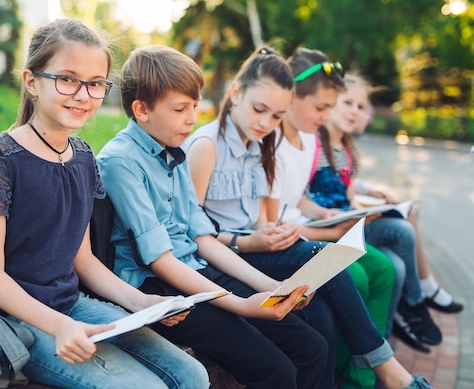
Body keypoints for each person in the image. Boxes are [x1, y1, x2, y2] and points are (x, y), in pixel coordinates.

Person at [0, 18, 210, 389]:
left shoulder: (82, 158)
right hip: (12, 315)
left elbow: (83, 259)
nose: (82, 94)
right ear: (31, 82)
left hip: (70, 302)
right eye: (67, 79)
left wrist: (140, 303)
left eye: (95, 84)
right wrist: (60, 326)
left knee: (192, 375)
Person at [184, 47, 434, 389]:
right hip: (226, 256)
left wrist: (270, 232)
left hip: (254, 247)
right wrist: (249, 240)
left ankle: (372, 372)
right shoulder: (206, 146)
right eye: (260, 110)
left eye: (275, 116)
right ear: (236, 92)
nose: (265, 123)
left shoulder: (257, 145)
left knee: (322, 321)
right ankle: (387, 369)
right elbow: (193, 233)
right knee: (323, 258)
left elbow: (258, 218)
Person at [97, 44, 328, 389]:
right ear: (141, 109)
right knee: (276, 371)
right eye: (181, 109)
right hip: (160, 288)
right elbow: (159, 260)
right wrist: (242, 305)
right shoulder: (121, 162)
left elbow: (202, 238)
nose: (192, 117)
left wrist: (268, 287)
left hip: (195, 270)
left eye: (194, 105)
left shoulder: (171, 149)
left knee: (313, 347)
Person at [350, 80, 464, 315]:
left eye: (362, 107)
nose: (357, 113)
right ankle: (416, 300)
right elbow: (331, 185)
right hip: (338, 220)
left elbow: (345, 181)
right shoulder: (324, 145)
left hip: (346, 215)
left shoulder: (344, 145)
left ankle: (422, 290)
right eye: (349, 104)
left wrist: (369, 190)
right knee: (401, 236)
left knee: (406, 217)